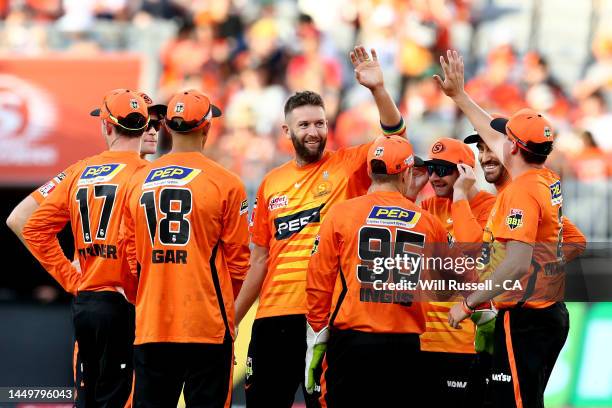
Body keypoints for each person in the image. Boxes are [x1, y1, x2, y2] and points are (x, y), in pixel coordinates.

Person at [234, 46, 407, 407]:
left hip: (326, 316)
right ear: (287, 130)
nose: (314, 132)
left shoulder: (348, 164)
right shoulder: (271, 183)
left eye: (319, 123)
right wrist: (232, 319)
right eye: (304, 125)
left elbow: (396, 138)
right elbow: (260, 261)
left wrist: (377, 89)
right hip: (273, 317)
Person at [437, 50, 571, 408]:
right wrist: (460, 96)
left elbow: (515, 263)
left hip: (527, 316)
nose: (494, 143)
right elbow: (495, 137)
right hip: (547, 312)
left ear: (512, 146)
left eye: (504, 139)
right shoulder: (543, 175)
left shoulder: (519, 193)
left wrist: (469, 303)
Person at [305, 135, 475, 407]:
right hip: (404, 345)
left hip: (352, 342)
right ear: (408, 172)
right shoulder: (427, 221)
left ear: (370, 170)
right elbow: (465, 274)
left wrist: (316, 338)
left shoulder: (340, 213)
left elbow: (318, 282)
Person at [21, 89, 151, 407]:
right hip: (126, 304)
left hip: (88, 302)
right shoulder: (148, 175)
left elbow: (32, 226)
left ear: (106, 126)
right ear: (146, 127)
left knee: (87, 397)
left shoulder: (81, 170)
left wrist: (71, 278)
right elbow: (136, 242)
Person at [122, 89, 250, 408]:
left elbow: (128, 257)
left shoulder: (138, 180)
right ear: (207, 128)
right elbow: (239, 264)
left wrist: (147, 296)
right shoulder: (227, 182)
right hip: (206, 325)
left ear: (165, 126)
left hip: (152, 322)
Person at [408, 137, 496, 406]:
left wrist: (459, 196)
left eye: (443, 169)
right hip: (423, 341)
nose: (434, 176)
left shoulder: (492, 207)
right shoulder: (428, 206)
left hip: (464, 342)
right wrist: (410, 195)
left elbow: (473, 255)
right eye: (431, 168)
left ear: (466, 172)